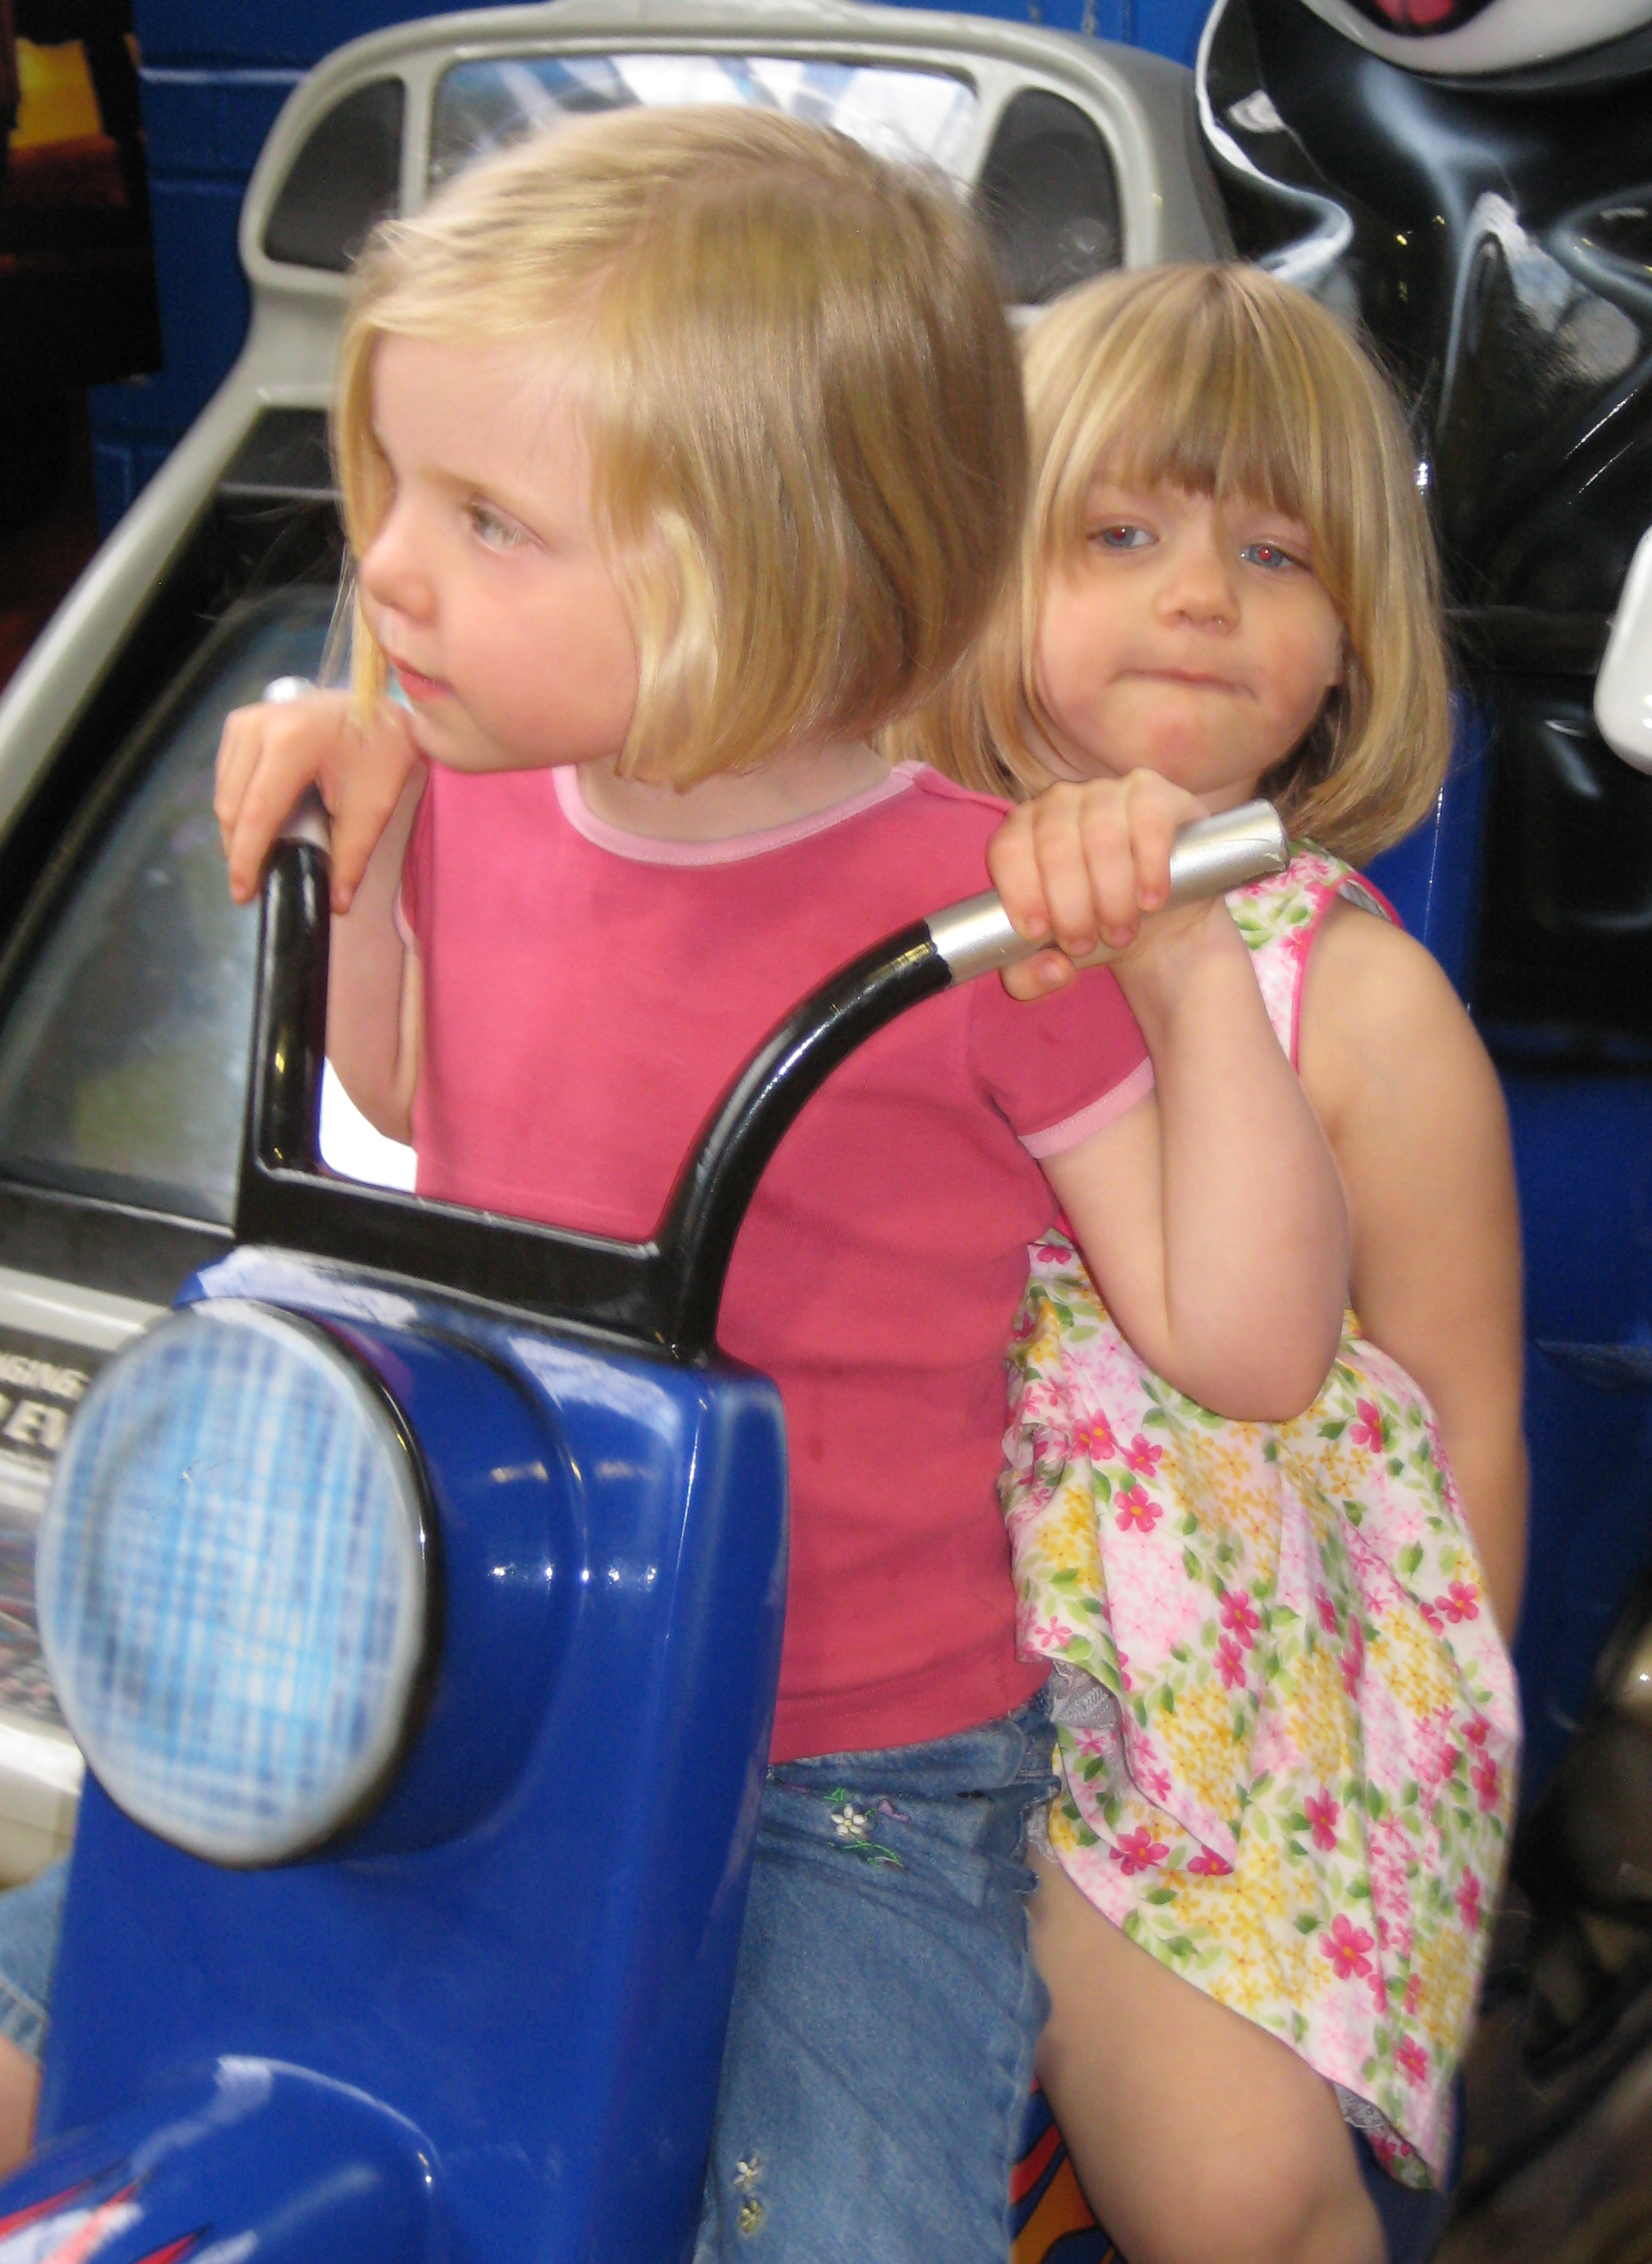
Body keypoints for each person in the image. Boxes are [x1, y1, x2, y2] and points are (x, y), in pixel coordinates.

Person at [193, 109, 1349, 2264]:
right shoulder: (486, 798)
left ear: (767, 555)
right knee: (120, 2041)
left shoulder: (978, 919)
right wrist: (351, 863)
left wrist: (1186, 969)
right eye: (393, 488)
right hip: (486, 1664)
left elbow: (1254, 1346)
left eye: (486, 520)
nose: (390, 572)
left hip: (843, 1776)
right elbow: (412, 1094)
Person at [892, 262, 1526, 2264]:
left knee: (1240, 2197)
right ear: (979, 566)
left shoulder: (1355, 999)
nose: (1198, 598)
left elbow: (1462, 1419)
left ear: (1349, 646)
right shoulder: (886, 897)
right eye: (1120, 535)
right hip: (869, 1642)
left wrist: (1416, 1791)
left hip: (1192, 1735)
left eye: (1275, 553)